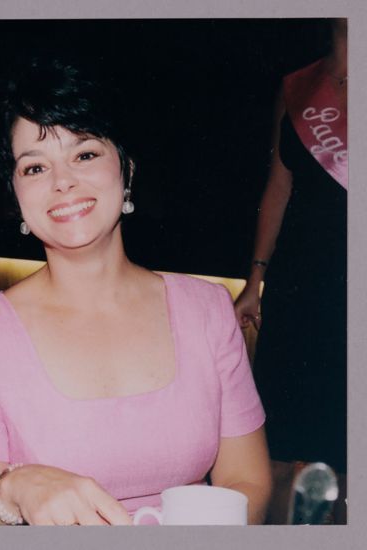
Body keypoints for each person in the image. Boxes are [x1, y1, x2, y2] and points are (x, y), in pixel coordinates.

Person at [0, 60, 271, 526]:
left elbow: (247, 481)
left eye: (86, 154)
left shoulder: (207, 309)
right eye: (34, 167)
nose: (63, 181)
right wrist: (13, 489)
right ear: (15, 196)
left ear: (126, 169)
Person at [234, 20, 347, 523]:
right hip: (300, 280)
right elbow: (278, 189)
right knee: (275, 442)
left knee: (340, 447)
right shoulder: (298, 85)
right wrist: (254, 280)